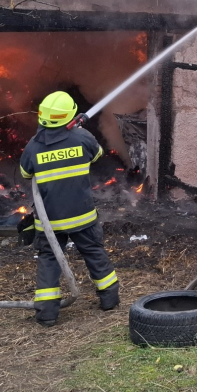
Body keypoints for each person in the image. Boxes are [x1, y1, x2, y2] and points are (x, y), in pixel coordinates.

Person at [19, 91, 120, 326]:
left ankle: (47, 313)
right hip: (82, 216)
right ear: (69, 116)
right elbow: (96, 155)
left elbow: (26, 173)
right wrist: (76, 133)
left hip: (50, 221)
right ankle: (109, 299)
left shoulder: (33, 146)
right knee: (94, 252)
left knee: (49, 259)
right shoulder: (82, 137)